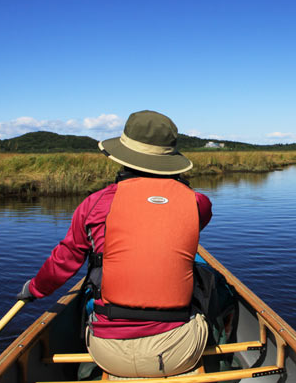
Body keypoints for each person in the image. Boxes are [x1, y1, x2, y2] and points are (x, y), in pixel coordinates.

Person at [16, 110, 213, 378]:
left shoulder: (95, 203)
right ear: (169, 159)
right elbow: (190, 221)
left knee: (90, 289)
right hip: (178, 352)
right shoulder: (197, 202)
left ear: (121, 157)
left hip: (109, 354)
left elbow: (65, 260)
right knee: (207, 277)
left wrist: (34, 289)